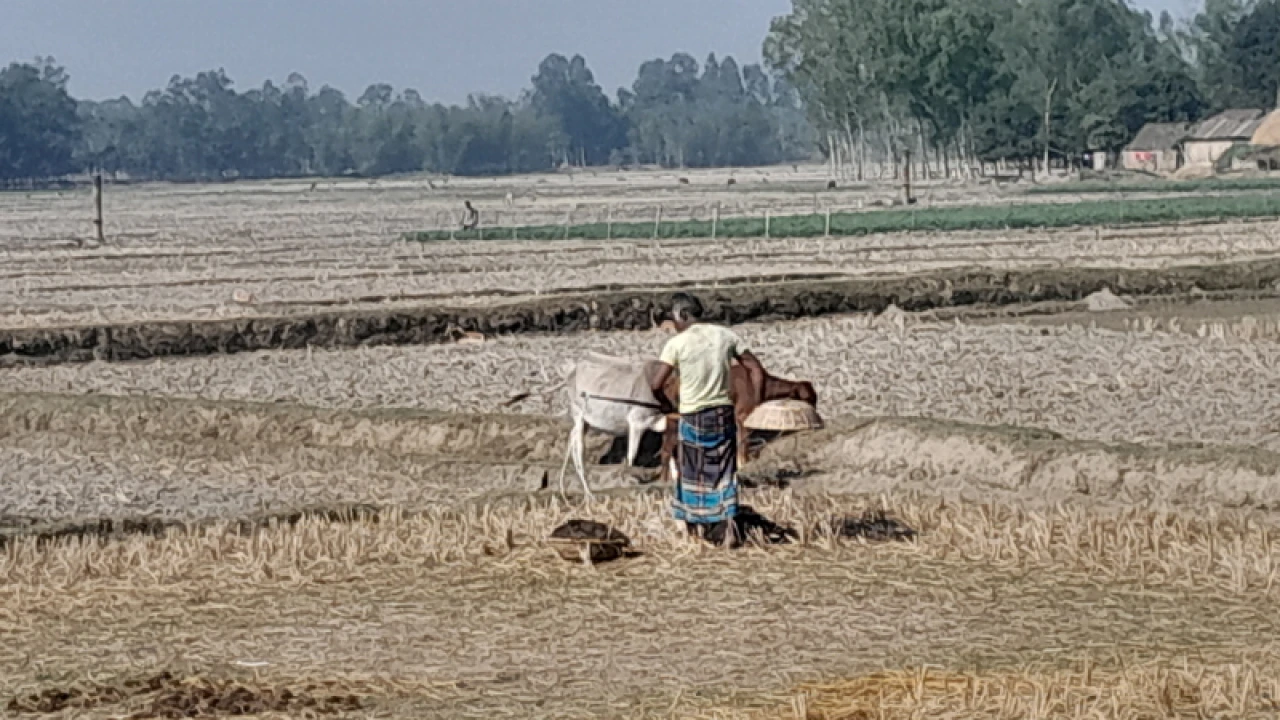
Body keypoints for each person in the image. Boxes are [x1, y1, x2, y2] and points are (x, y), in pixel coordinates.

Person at [650, 293, 765, 546]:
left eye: (674, 318)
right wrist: (756, 404)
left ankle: (695, 530)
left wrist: (666, 404)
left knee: (691, 473)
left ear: (682, 315)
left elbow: (656, 383)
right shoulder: (726, 336)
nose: (674, 324)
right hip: (723, 415)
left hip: (692, 416)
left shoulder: (677, 344)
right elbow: (756, 369)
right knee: (723, 472)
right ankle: (728, 527)